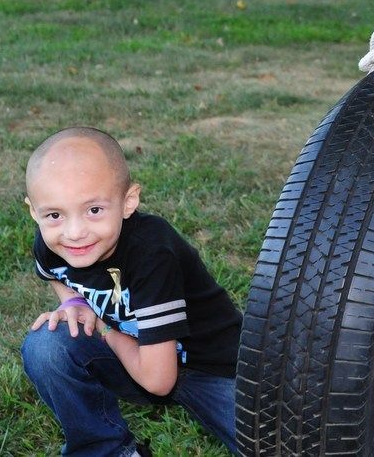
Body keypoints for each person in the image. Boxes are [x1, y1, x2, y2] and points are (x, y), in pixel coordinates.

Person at [20, 127, 241, 456]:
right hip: (139, 360)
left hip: (212, 369)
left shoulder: (151, 253)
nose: (75, 232)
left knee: (281, 446)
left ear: (128, 202)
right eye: (54, 215)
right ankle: (108, 450)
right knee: (47, 344)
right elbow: (53, 274)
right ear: (34, 212)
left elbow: (159, 380)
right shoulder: (54, 243)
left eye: (94, 210)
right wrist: (75, 302)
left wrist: (110, 334)